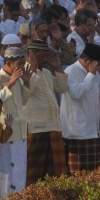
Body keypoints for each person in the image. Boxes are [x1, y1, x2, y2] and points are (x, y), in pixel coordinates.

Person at [61, 43, 100, 174]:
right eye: (98, 64)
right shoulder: (70, 71)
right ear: (86, 60)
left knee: (94, 177)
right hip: (76, 132)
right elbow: (75, 93)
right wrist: (90, 75)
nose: (99, 67)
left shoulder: (94, 72)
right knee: (78, 176)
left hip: (93, 130)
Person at [0, 47, 33, 198]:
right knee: (6, 175)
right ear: (8, 62)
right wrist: (10, 84)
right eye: (19, 63)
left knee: (20, 173)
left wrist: (26, 83)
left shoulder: (19, 78)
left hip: (20, 132)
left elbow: (24, 101)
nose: (22, 67)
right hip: (5, 134)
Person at [24, 40, 68, 186]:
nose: (45, 59)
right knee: (34, 173)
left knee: (56, 173)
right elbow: (26, 93)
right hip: (37, 128)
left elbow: (62, 88)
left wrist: (58, 68)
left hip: (54, 127)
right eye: (42, 56)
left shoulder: (47, 72)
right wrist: (32, 68)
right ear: (32, 55)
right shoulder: (24, 71)